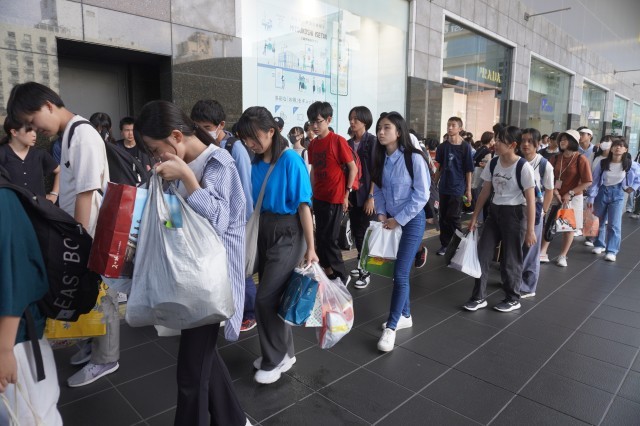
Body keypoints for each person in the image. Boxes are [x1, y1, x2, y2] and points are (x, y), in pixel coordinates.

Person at [135, 100, 248, 425]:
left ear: (175, 136)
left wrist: (187, 177)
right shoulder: (178, 165)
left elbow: (220, 221)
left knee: (191, 373)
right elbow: (175, 222)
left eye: (156, 150)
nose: (157, 157)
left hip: (213, 281)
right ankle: (233, 419)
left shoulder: (218, 162)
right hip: (192, 279)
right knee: (203, 361)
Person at [7, 82, 117, 388]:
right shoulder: (69, 134)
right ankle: (92, 345)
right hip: (82, 231)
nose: (35, 130)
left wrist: (77, 242)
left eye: (33, 121)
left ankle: (106, 358)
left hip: (89, 233)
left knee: (102, 295)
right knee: (90, 294)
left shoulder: (83, 135)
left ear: (47, 105)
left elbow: (85, 193)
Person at [235, 106, 316, 384]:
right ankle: (285, 354)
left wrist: (311, 247)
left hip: (289, 232)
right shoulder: (255, 164)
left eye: (254, 137)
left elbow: (304, 205)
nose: (250, 143)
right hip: (263, 229)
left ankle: (274, 359)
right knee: (274, 296)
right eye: (245, 138)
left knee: (265, 298)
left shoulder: (290, 159)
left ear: (271, 131)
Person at [190, 99, 257, 333]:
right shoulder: (202, 147)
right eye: (197, 127)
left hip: (236, 222)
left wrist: (244, 222)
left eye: (207, 127)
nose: (201, 132)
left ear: (221, 125)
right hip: (213, 223)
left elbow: (244, 189)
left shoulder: (234, 148)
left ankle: (248, 312)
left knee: (240, 270)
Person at [0, 180, 62, 426]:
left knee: (33, 416)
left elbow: (16, 275)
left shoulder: (3, 199)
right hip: (10, 339)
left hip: (16, 338)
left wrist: (4, 350)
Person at [463, 126, 537, 313]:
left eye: (500, 141)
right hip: (494, 212)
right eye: (496, 139)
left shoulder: (523, 167)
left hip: (515, 214)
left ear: (512, 145)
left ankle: (513, 298)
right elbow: (485, 191)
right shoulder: (493, 163)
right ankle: (478, 297)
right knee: (482, 254)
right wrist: (474, 217)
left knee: (511, 258)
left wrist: (530, 230)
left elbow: (531, 200)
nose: (495, 143)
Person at [372, 112, 429, 352]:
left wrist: (399, 219)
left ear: (398, 132)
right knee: (397, 272)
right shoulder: (380, 158)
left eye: (386, 127)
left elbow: (422, 195)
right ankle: (405, 315)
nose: (381, 132)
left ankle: (392, 327)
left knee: (401, 273)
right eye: (379, 128)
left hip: (412, 221)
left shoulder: (413, 158)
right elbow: (378, 190)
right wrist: (381, 214)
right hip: (391, 221)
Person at [307, 101, 357, 284]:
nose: (314, 126)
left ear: (328, 120)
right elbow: (314, 170)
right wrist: (311, 193)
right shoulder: (313, 145)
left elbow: (353, 168)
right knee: (320, 238)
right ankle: (329, 273)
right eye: (312, 122)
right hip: (318, 197)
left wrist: (346, 194)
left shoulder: (338, 141)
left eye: (318, 121)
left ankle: (342, 275)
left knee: (330, 239)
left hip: (335, 197)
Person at [539, 130, 593, 267]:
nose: (562, 142)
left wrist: (570, 193)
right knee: (549, 223)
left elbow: (587, 181)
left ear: (573, 142)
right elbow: (548, 177)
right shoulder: (555, 158)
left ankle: (563, 255)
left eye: (565, 139)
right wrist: (555, 191)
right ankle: (542, 252)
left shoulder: (581, 159)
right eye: (561, 139)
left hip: (572, 198)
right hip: (555, 195)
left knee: (568, 227)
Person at [586, 137, 640, 262]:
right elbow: (595, 180)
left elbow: (638, 177)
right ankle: (599, 244)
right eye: (615, 145)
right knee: (598, 220)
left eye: (621, 146)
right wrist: (591, 196)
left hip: (618, 193)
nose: (618, 147)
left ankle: (611, 251)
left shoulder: (629, 164)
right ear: (611, 149)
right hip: (602, 192)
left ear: (626, 149)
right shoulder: (603, 162)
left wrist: (632, 187)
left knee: (614, 224)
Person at [518, 128, 554, 298]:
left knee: (531, 250)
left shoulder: (544, 165)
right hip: (516, 208)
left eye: (530, 141)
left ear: (538, 144)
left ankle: (528, 287)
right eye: (523, 140)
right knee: (518, 247)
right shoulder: (517, 160)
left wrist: (543, 212)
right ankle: (515, 280)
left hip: (535, 210)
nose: (525, 144)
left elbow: (549, 191)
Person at [346, 106, 377, 288]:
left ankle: (366, 271)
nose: (352, 122)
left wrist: (371, 196)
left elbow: (375, 171)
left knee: (365, 234)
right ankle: (361, 263)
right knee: (357, 231)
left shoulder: (372, 142)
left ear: (365, 121)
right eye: (351, 118)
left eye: (356, 119)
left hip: (367, 195)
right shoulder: (348, 143)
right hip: (353, 196)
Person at [433, 117, 474, 255]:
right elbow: (439, 168)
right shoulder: (442, 147)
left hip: (458, 187)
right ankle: (445, 245)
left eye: (453, 125)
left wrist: (468, 190)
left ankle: (459, 244)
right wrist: (434, 185)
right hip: (444, 187)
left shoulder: (465, 147)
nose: (450, 128)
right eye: (448, 125)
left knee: (454, 217)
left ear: (460, 128)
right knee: (443, 217)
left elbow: (468, 170)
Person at [0, 115, 60, 200]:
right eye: (29, 130)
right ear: (14, 132)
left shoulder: (39, 154)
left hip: (38, 206)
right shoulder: (2, 153)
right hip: (12, 206)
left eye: (35, 131)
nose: (34, 135)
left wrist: (54, 194)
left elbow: (59, 171)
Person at [583, 135, 612, 247]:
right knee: (591, 212)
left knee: (601, 216)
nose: (605, 144)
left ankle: (599, 241)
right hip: (593, 188)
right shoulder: (594, 155)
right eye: (603, 141)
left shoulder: (613, 158)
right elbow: (588, 170)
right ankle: (590, 236)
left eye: (608, 142)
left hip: (605, 189)